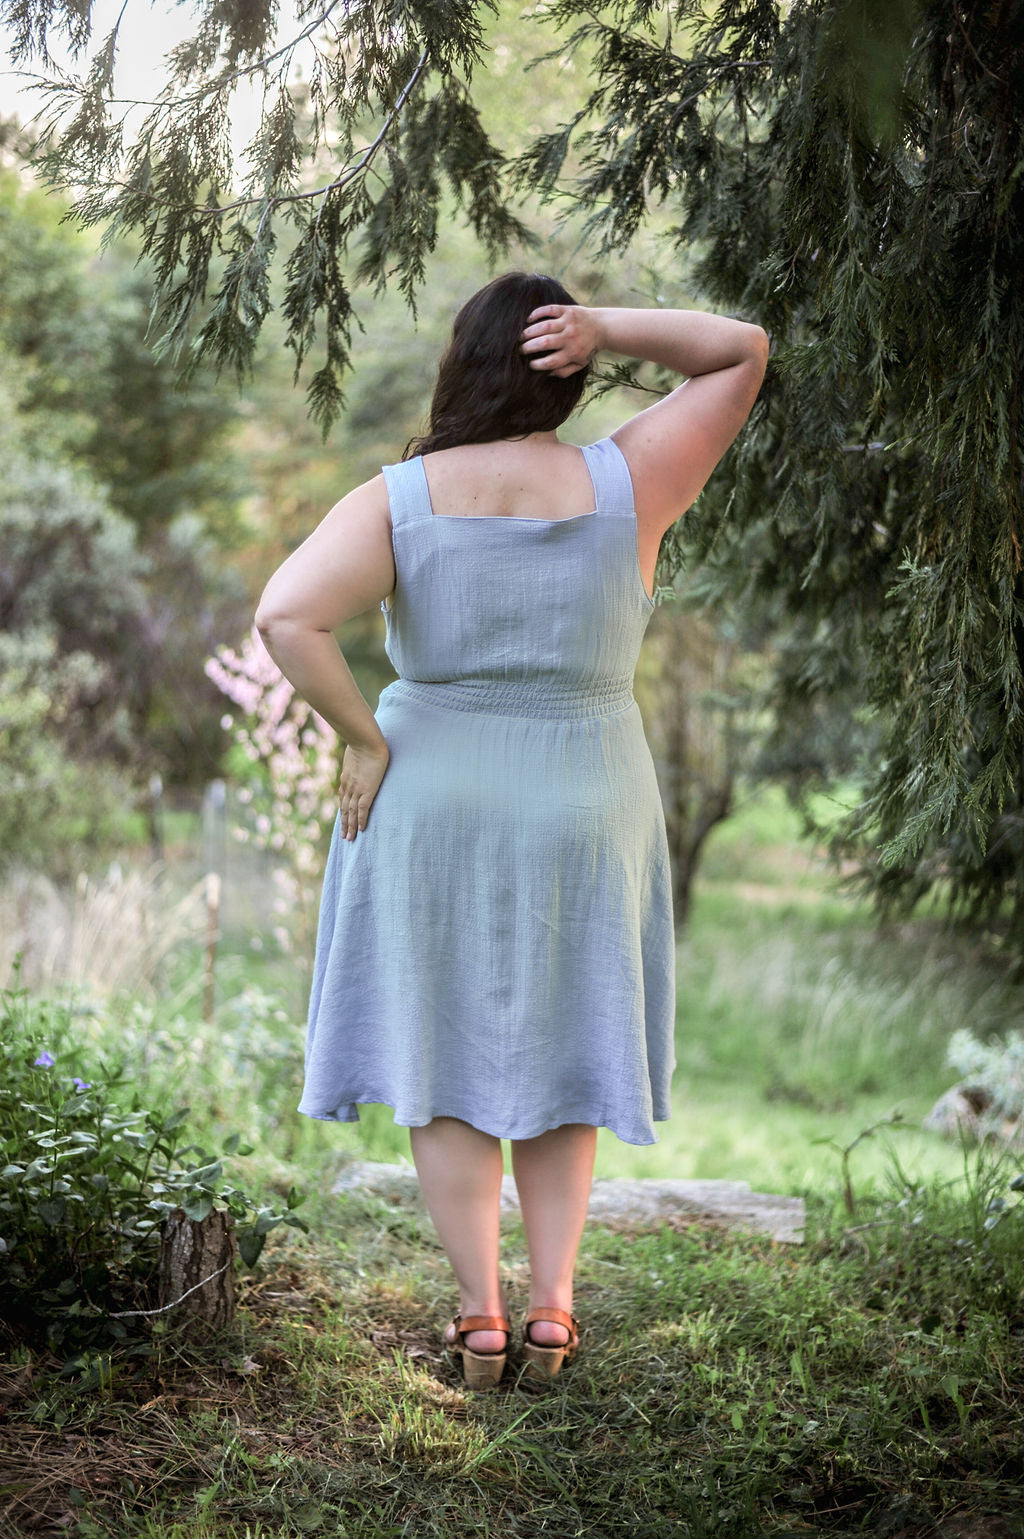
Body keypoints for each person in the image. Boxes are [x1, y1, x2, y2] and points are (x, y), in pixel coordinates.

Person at [255, 273, 768, 1388]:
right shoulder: (628, 480)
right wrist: (608, 326)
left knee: (441, 1059)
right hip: (584, 795)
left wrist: (361, 739)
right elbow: (740, 350)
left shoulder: (398, 498)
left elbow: (287, 615)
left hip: (430, 795)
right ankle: (552, 1312)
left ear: (460, 363)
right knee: (563, 1046)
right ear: (565, 370)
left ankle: (481, 1321)